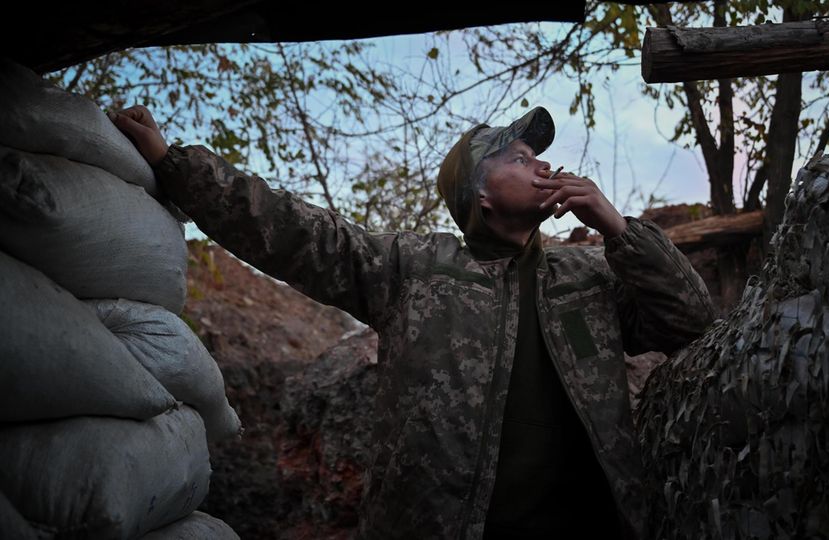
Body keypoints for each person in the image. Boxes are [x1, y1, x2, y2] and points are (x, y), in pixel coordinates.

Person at [112, 104, 717, 539]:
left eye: (541, 157)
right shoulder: (414, 269)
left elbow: (691, 320)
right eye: (521, 157)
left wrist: (618, 228)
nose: (543, 167)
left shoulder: (587, 277)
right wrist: (175, 164)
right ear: (480, 195)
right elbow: (295, 234)